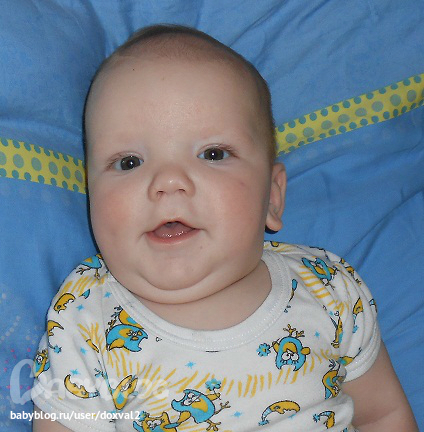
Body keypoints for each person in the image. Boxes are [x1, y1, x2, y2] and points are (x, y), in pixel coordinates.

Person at [32, 24, 417, 432]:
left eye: (212, 154)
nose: (169, 181)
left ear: (272, 197)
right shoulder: (85, 321)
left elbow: (383, 415)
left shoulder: (329, 291)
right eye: (129, 162)